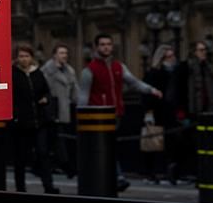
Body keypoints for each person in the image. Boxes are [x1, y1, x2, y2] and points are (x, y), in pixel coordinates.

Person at [77, 33, 162, 192]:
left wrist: (151, 90)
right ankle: (117, 177)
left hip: (115, 115)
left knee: (109, 148)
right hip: (97, 118)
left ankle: (112, 177)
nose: (106, 47)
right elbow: (83, 97)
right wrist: (82, 120)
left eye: (108, 44)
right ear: (97, 47)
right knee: (106, 148)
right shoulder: (89, 70)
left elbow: (134, 82)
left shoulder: (118, 67)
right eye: (102, 44)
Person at [8, 46, 57, 193]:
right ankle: (20, 188)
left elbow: (47, 92)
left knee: (43, 153)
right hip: (21, 122)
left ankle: (48, 186)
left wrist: (45, 99)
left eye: (27, 56)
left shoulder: (38, 73)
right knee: (21, 158)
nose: (24, 59)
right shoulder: (13, 74)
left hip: (39, 121)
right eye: (21, 56)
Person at [141, 45, 182, 183]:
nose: (172, 59)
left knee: (172, 143)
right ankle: (151, 172)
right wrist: (149, 113)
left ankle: (170, 173)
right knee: (153, 143)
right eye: (169, 57)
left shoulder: (176, 73)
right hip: (157, 112)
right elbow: (147, 95)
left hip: (171, 113)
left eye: (173, 56)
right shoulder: (154, 73)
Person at [39, 44, 79, 175]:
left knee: (61, 139)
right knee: (56, 140)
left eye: (66, 53)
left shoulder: (70, 70)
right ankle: (64, 165)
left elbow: (74, 91)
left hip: (65, 109)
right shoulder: (47, 70)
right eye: (61, 53)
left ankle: (58, 164)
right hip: (51, 111)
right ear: (55, 55)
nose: (64, 56)